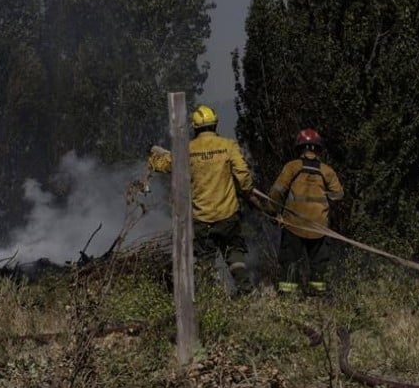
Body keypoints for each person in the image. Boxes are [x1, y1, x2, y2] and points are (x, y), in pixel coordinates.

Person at [147, 105, 259, 295]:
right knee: (234, 253)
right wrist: (248, 193)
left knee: (205, 258)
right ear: (215, 125)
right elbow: (242, 174)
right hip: (228, 214)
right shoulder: (228, 145)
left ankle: (210, 297)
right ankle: (246, 290)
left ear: (195, 127)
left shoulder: (187, 149)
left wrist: (152, 158)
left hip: (202, 217)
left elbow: (166, 165)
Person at [268, 128, 345, 296]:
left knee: (290, 263)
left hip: (293, 225)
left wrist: (273, 213)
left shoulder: (292, 167)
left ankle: (288, 299)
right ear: (318, 149)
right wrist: (323, 200)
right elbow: (339, 195)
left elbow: (276, 192)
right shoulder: (327, 171)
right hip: (318, 227)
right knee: (319, 265)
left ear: (300, 148)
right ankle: (318, 298)